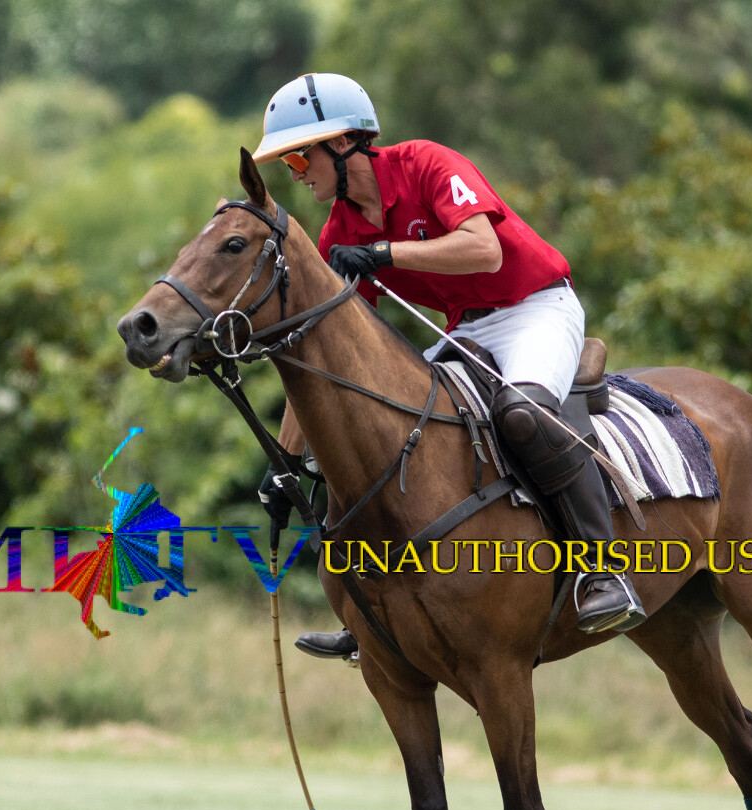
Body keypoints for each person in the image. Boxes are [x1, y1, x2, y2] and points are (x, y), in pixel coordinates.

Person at [251, 73, 644, 662]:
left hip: (536, 307)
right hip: (466, 329)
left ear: (343, 142)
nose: (295, 174)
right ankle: (372, 613)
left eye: (300, 158)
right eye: (287, 164)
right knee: (378, 426)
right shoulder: (339, 232)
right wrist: (284, 461)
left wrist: (384, 253)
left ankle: (604, 571)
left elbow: (484, 249)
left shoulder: (426, 164)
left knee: (524, 416)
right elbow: (327, 353)